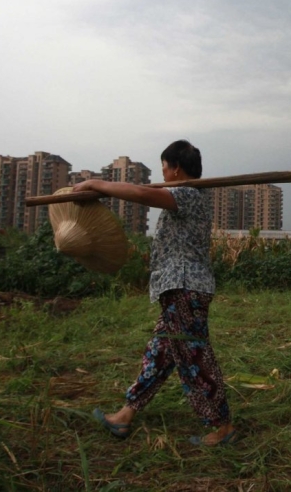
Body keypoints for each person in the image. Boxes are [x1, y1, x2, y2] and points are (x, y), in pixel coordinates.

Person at [74, 140, 235, 446]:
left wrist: (98, 184)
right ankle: (125, 415)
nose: (162, 173)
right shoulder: (192, 195)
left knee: (194, 357)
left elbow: (140, 194)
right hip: (177, 290)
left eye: (163, 167)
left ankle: (221, 426)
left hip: (184, 288)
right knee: (159, 356)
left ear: (175, 168)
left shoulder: (188, 194)